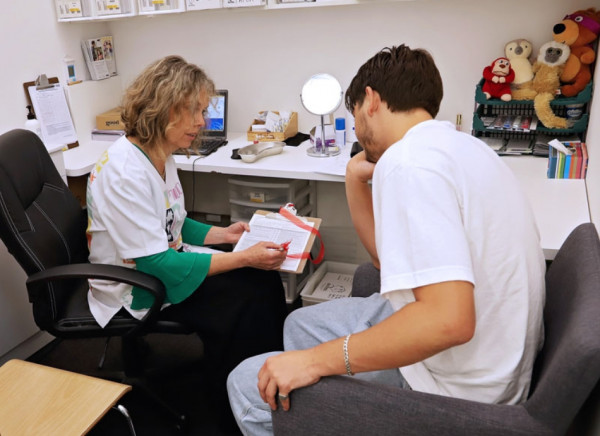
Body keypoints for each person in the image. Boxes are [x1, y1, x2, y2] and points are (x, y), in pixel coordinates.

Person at [226, 44, 546, 435]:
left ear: (371, 100)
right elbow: (387, 264)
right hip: (495, 362)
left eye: (355, 115)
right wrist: (353, 179)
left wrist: (314, 363)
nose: (358, 130)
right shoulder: (462, 147)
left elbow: (448, 321)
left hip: (459, 388)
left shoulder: (408, 162)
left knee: (246, 384)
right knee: (299, 325)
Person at [85, 55, 289, 430]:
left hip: (161, 261)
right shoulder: (123, 171)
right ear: (163, 108)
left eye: (203, 110)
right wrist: (243, 258)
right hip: (131, 287)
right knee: (242, 301)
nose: (202, 121)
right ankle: (233, 406)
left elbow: (173, 221)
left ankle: (269, 383)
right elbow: (155, 264)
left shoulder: (160, 153)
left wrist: (224, 237)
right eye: (193, 111)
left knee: (262, 282)